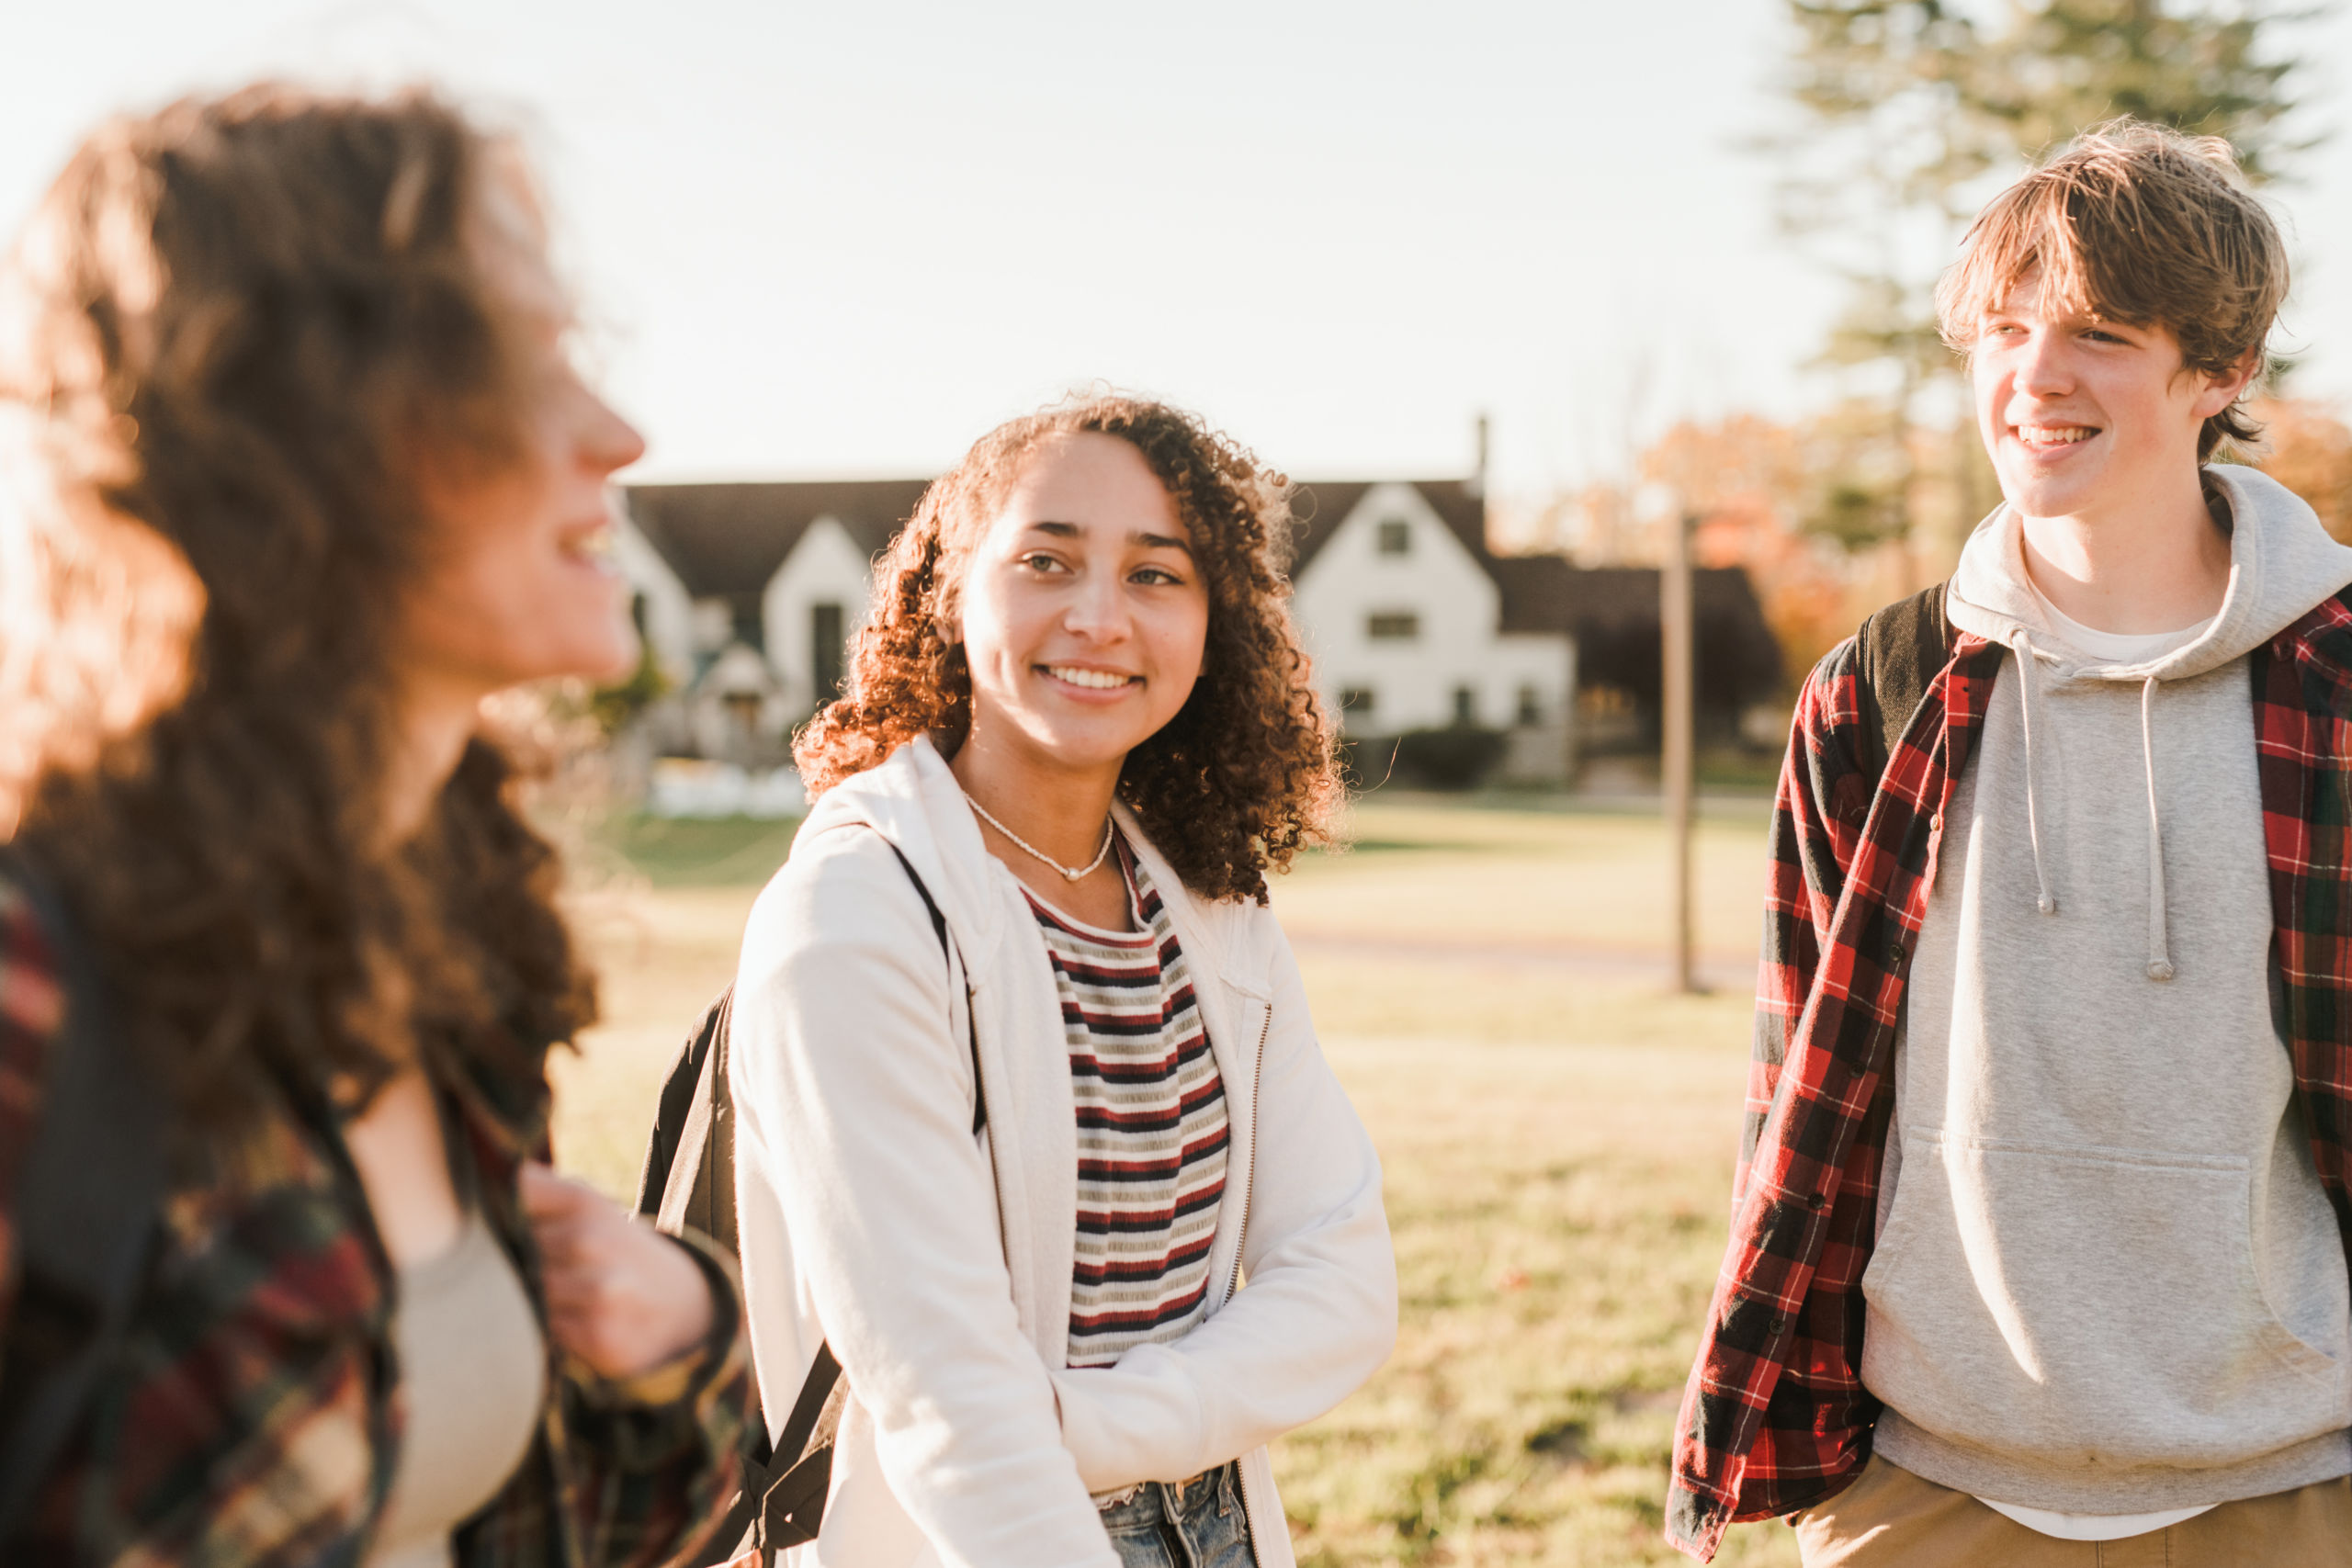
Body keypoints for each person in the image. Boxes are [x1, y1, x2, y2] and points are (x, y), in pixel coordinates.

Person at [0, 87, 748, 1566]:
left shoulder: (449, 949)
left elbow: (523, 1515)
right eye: (519, 363)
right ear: (309, 427)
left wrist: (684, 1340)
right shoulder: (36, 988)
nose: (618, 432)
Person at [1667, 119, 2352, 1565]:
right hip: (1930, 1491)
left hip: (2294, 1485)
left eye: (2099, 331)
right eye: (2004, 328)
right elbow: (1795, 1081)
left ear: (2222, 370)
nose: (2035, 376)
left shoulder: (2339, 684)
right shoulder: (1880, 686)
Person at [729, 396, 1397, 1568]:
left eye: (1156, 575)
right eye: (1046, 561)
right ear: (951, 588)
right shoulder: (858, 914)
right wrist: (1072, 1443)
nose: (1099, 619)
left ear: (1212, 622)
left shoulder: (1211, 904)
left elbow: (1341, 1282)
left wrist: (1088, 1425)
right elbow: (948, 1408)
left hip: (1216, 1525)